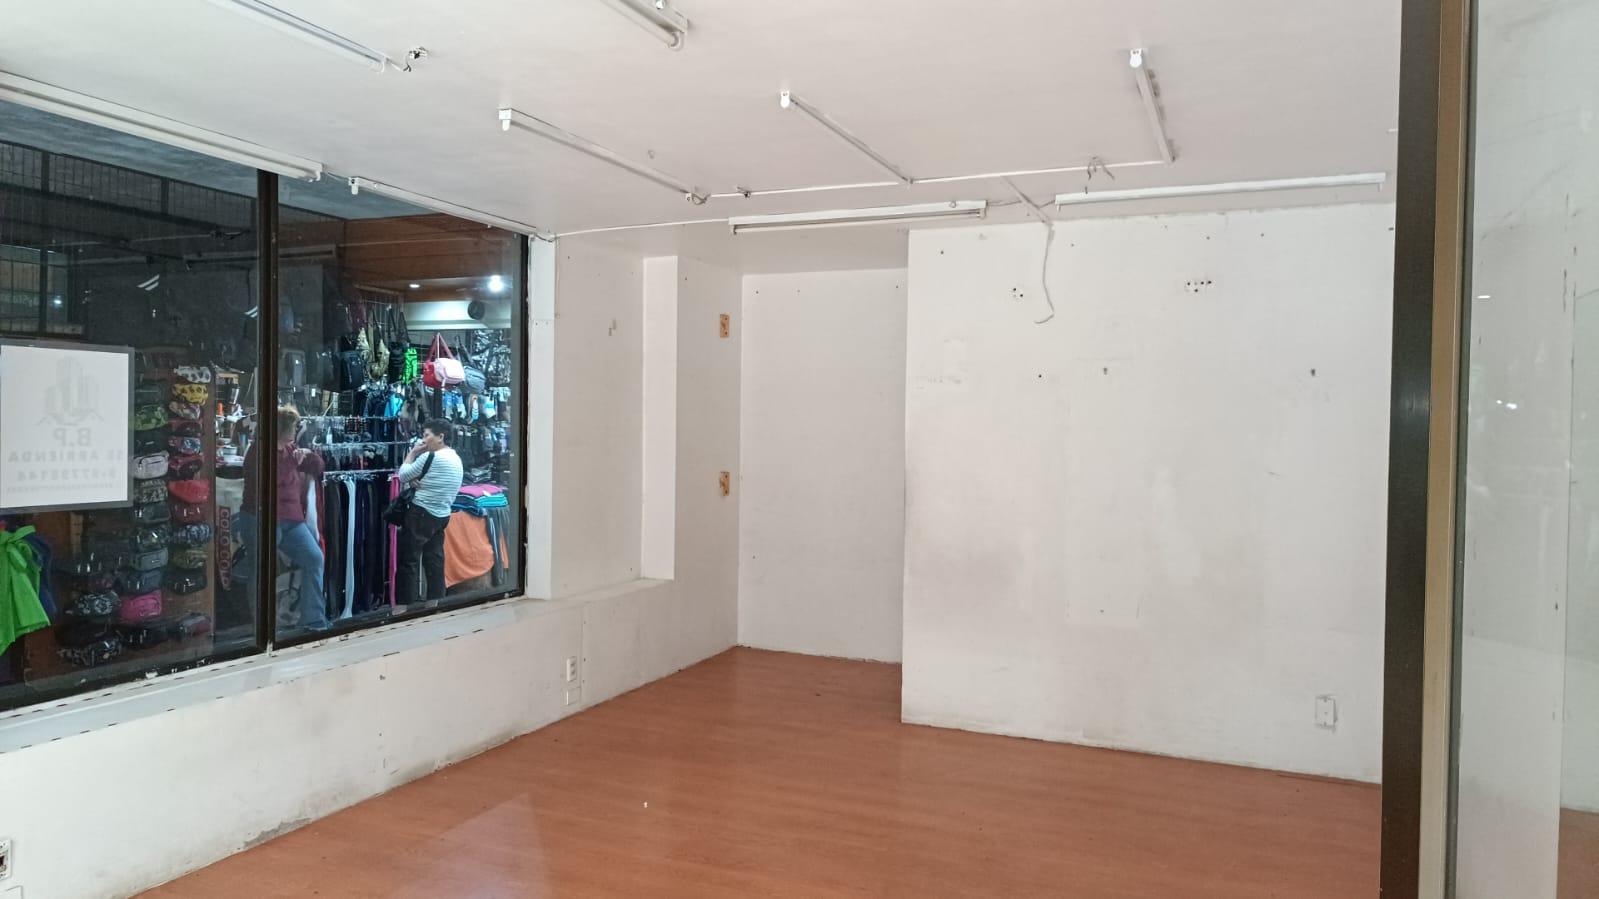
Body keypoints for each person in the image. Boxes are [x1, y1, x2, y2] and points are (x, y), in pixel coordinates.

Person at [239, 405, 329, 632]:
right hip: (262, 518)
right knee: (262, 570)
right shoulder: (258, 451)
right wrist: (294, 463)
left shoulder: (291, 449)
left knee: (314, 558)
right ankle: (262, 625)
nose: (297, 429)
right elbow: (267, 483)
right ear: (282, 428)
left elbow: (319, 468)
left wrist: (309, 455)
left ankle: (313, 619)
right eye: (294, 426)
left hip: (292, 520)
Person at [396, 419, 464, 605]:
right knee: (434, 561)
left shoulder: (431, 457)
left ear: (440, 437)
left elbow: (403, 475)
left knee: (408, 561)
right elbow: (433, 482)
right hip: (441, 515)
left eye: (427, 435)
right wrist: (416, 481)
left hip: (421, 513)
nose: (423, 440)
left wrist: (413, 453)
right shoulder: (455, 459)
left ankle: (403, 608)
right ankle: (434, 605)